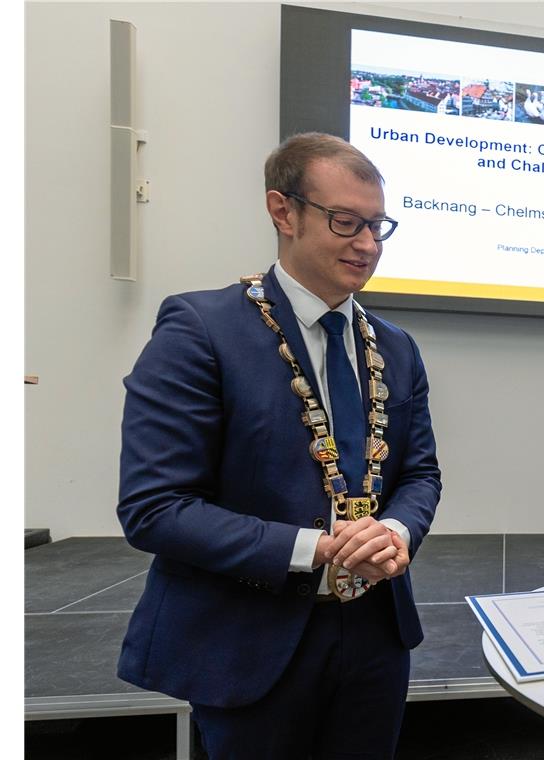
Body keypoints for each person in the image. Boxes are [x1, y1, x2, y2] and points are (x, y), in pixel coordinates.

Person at [116, 132, 442, 759]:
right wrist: (316, 550)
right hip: (247, 642)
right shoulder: (200, 329)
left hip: (375, 637)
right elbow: (154, 506)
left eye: (379, 226)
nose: (368, 245)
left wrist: (394, 533)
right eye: (346, 222)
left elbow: (421, 474)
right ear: (282, 210)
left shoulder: (397, 348)